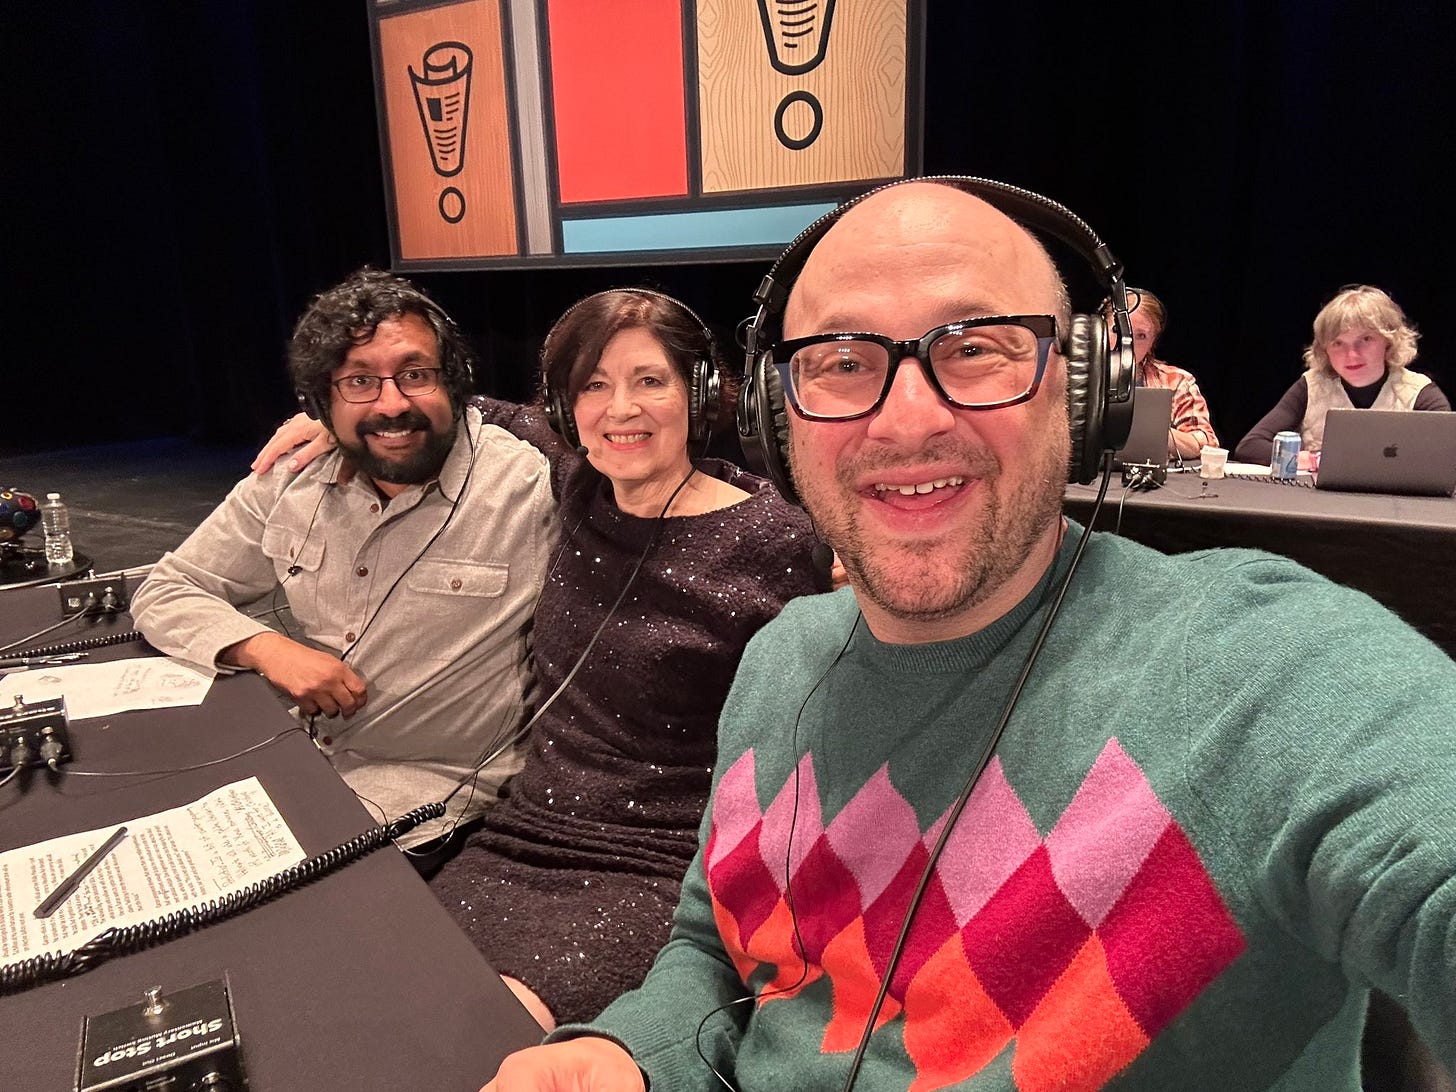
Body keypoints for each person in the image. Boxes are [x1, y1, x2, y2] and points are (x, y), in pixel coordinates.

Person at [481, 181, 1456, 1092]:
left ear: (1084, 392)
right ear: (779, 419)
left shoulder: (1268, 668)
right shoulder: (778, 658)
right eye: (842, 362)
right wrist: (625, 1053)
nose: (906, 420)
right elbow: (715, 949)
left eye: (975, 348)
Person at [256, 288, 830, 1031]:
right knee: (374, 992)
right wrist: (339, 415)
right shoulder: (581, 481)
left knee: (478, 1032)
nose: (619, 408)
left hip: (660, 863)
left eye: (649, 381)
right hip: (519, 833)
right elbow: (477, 408)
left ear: (701, 392)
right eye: (593, 385)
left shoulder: (779, 542)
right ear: (565, 410)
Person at [132, 269, 556, 852]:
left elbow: (620, 446)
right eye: (359, 381)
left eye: (415, 375)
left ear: (452, 383)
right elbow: (167, 589)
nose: (392, 404)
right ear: (321, 403)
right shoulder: (290, 478)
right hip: (293, 759)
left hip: (430, 799)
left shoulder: (530, 485)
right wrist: (266, 649)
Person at [1235, 284, 1450, 466]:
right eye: (1338, 343)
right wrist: (1312, 460)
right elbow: (1251, 445)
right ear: (1324, 350)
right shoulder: (1311, 385)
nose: (1351, 354)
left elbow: (1447, 457)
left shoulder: (1421, 393)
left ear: (1389, 341)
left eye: (1365, 339)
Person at [1121, 287, 1219, 460]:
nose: (1126, 342)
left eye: (1141, 336)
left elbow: (1206, 443)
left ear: (1153, 343)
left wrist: (1152, 434)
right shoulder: (1072, 377)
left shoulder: (1177, 382)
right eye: (1117, 330)